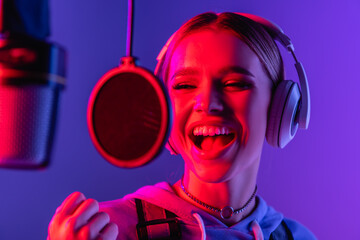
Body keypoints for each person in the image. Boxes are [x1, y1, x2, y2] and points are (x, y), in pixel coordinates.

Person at [47, 12, 316, 240]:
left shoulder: (298, 237)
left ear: (281, 109)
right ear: (162, 107)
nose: (208, 103)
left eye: (235, 84)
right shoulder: (110, 230)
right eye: (184, 86)